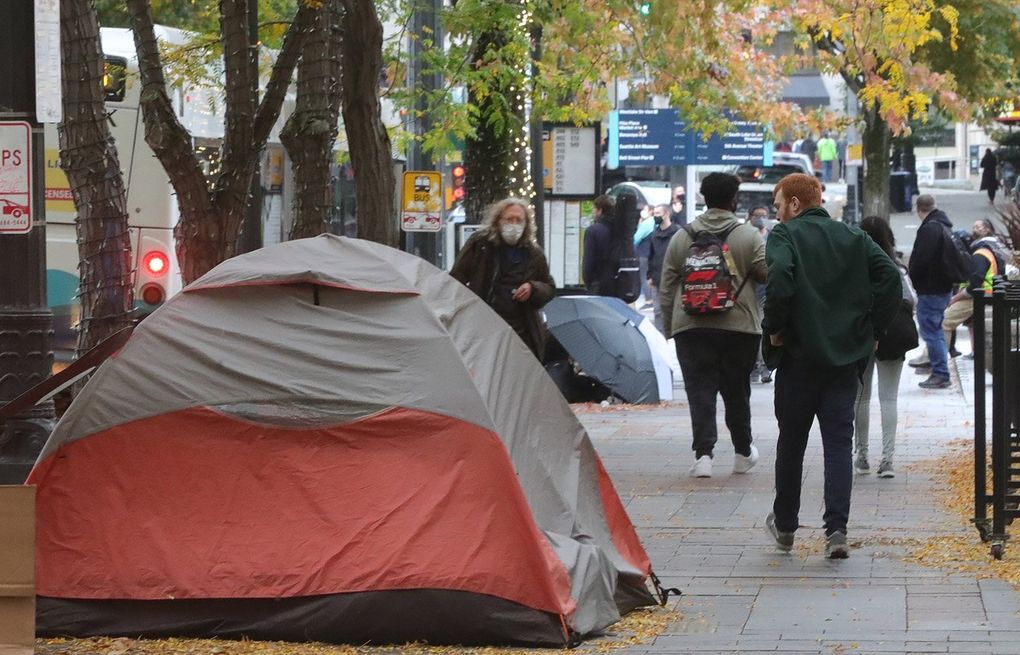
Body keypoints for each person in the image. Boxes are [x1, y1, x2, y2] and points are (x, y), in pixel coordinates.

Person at [762, 174, 900, 559]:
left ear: (793, 204)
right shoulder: (854, 237)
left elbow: (779, 280)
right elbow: (889, 276)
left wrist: (775, 327)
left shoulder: (784, 236)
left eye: (777, 206)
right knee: (838, 444)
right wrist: (874, 327)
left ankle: (786, 526)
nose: (777, 213)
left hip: (798, 359)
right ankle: (836, 530)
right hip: (843, 360)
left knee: (791, 444)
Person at [659, 173, 768, 479]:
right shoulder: (748, 236)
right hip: (739, 326)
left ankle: (703, 456)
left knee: (699, 390)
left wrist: (671, 327)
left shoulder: (682, 237)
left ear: (704, 198)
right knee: (737, 390)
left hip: (691, 325)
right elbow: (766, 273)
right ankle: (742, 452)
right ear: (734, 199)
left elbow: (667, 286)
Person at [451, 197, 555, 359]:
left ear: (526, 224)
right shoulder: (480, 245)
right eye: (509, 219)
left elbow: (548, 287)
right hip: (483, 326)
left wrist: (532, 288)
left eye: (519, 220)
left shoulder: (534, 254)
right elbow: (457, 278)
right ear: (498, 221)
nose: (514, 224)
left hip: (520, 331)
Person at [854, 216, 915, 479]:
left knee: (861, 398)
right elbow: (910, 299)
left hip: (860, 335)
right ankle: (887, 460)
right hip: (892, 335)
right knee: (889, 398)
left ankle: (861, 455)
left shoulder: (854, 268)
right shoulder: (895, 267)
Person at [908, 194, 956, 390]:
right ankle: (938, 368)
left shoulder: (930, 228)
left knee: (932, 331)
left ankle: (940, 373)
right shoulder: (944, 225)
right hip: (942, 287)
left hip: (931, 288)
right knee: (934, 328)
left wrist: (915, 279)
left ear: (919, 209)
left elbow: (922, 260)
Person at [942, 220, 1010, 356]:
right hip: (990, 294)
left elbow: (974, 286)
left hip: (980, 296)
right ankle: (976, 352)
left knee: (944, 321)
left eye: (978, 226)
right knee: (974, 323)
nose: (974, 229)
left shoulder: (980, 253)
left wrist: (954, 299)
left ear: (987, 230)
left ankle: (939, 364)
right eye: (973, 226)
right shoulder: (993, 247)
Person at [747, 206, 773, 384]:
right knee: (751, 331)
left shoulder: (771, 237)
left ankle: (764, 366)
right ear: (750, 217)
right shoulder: (745, 237)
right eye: (757, 216)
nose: (761, 219)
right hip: (748, 291)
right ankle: (753, 366)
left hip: (765, 292)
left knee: (763, 330)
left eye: (764, 216)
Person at [645, 204, 681, 332]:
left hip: (673, 278)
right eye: (654, 213)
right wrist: (649, 276)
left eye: (657, 213)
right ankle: (661, 337)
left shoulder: (677, 232)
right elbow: (651, 255)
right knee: (658, 310)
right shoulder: (654, 234)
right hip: (657, 277)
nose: (655, 216)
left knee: (673, 308)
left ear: (666, 214)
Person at [582, 194, 616, 296]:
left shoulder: (593, 230)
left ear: (600, 210)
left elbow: (589, 260)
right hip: (618, 283)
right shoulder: (621, 229)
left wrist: (588, 281)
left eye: (594, 209)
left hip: (598, 283)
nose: (593, 212)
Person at [634, 207, 655, 308]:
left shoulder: (647, 223)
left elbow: (636, 238)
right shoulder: (655, 222)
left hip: (643, 253)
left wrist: (640, 225)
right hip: (651, 254)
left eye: (645, 209)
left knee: (643, 277)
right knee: (650, 276)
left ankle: (649, 300)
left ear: (650, 211)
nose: (642, 211)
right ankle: (652, 298)